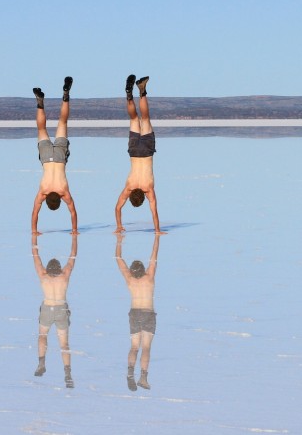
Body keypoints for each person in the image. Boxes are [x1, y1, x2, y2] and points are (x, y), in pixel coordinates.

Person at [114, 74, 163, 234]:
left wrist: (157, 230)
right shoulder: (128, 187)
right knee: (135, 118)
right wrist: (118, 225)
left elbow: (154, 212)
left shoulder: (148, 190)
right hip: (134, 151)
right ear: (131, 196)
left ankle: (142, 91)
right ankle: (129, 95)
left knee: (146, 118)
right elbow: (118, 207)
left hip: (147, 151)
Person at [32, 76, 78, 236]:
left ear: (59, 199)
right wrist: (34, 230)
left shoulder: (64, 192)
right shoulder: (42, 192)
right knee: (41, 129)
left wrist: (74, 230)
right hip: (46, 157)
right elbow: (35, 213)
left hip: (59, 157)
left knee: (62, 123)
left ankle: (66, 95)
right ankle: (40, 103)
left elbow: (72, 212)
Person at [32, 233, 77, 388]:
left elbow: (35, 256)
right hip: (61, 309)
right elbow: (72, 257)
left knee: (42, 335)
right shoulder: (64, 276)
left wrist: (34, 239)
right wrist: (74, 239)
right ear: (59, 268)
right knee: (64, 344)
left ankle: (41, 363)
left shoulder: (43, 275)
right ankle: (67, 373)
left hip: (47, 308)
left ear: (47, 268)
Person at [116, 233, 159, 391]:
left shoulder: (130, 279)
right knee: (146, 347)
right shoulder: (149, 278)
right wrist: (156, 239)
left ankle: (129, 373)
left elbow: (119, 261)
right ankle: (143, 377)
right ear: (143, 269)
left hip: (134, 314)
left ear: (132, 271)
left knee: (134, 347)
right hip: (148, 314)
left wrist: (119, 242)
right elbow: (154, 258)